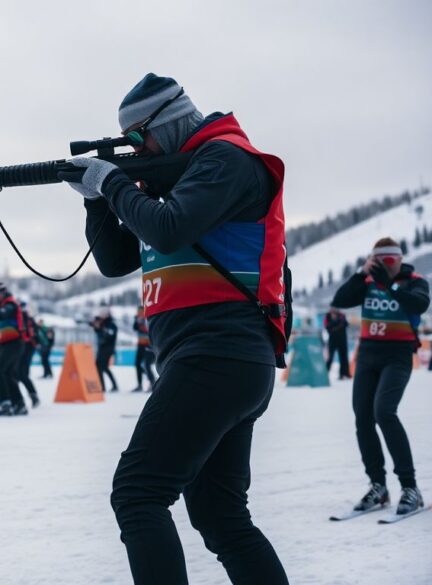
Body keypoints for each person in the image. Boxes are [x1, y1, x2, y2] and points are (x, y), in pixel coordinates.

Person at [64, 73, 289, 584]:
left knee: (138, 494)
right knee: (221, 517)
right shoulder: (183, 183)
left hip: (217, 353)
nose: (135, 149)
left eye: (138, 137)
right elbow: (115, 261)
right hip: (219, 361)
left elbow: (169, 230)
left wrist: (113, 182)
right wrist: (95, 199)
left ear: (166, 123)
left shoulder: (224, 159)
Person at [332, 238, 429, 517]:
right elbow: (340, 300)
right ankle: (378, 485)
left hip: (397, 356)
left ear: (400, 260)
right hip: (367, 356)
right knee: (363, 417)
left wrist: (391, 286)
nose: (387, 266)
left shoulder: (414, 281)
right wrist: (361, 273)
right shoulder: (368, 282)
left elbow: (419, 304)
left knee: (384, 411)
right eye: (380, 261)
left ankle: (410, 487)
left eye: (391, 261)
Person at [0, 282, 29, 416]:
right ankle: (18, 403)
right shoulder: (3, 304)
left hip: (14, 343)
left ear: (2, 292)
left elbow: (1, 315)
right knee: (7, 373)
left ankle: (5, 403)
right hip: (7, 344)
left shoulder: (10, 304)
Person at [17, 302, 40, 407]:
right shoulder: (27, 318)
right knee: (18, 374)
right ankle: (29, 396)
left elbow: (33, 336)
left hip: (27, 347)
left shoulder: (26, 318)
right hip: (24, 347)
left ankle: (33, 396)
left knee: (22, 374)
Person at [90, 310, 119, 392]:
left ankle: (107, 386)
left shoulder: (111, 325)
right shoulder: (103, 324)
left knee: (101, 366)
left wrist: (100, 328)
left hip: (108, 348)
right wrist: (96, 327)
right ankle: (106, 386)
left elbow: (109, 335)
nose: (101, 316)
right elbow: (98, 331)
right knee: (102, 367)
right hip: (102, 348)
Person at [132, 308, 157, 391]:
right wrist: (137, 321)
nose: (139, 313)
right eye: (138, 312)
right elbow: (135, 328)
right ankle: (140, 384)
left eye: (140, 312)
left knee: (147, 364)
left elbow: (147, 330)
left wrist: (141, 322)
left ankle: (152, 382)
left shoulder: (147, 318)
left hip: (148, 345)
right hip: (141, 345)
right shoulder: (138, 320)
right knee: (137, 364)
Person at [324, 307, 351, 380]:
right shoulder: (328, 316)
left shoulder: (342, 315)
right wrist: (337, 323)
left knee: (343, 357)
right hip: (332, 340)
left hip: (342, 340)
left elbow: (346, 324)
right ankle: (325, 374)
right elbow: (327, 327)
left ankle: (343, 374)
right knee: (330, 358)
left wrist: (336, 325)